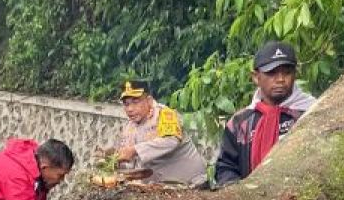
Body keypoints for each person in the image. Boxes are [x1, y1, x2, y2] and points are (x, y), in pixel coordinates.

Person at [214, 40, 317, 187]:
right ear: (256, 77)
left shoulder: (311, 113)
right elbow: (226, 167)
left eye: (287, 72)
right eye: (271, 73)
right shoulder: (239, 123)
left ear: (295, 74)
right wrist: (238, 193)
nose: (281, 79)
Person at [106, 79, 207, 186]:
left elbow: (171, 140)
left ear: (149, 100)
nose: (130, 109)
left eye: (135, 102)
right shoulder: (129, 127)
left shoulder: (165, 114)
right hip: (160, 188)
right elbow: (129, 159)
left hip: (192, 184)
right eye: (126, 104)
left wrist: (134, 150)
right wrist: (113, 160)